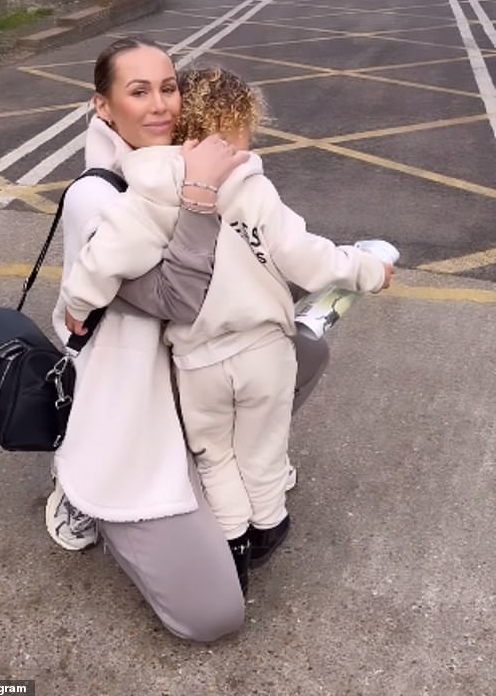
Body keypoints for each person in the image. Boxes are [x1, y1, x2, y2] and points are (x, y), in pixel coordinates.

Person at [58, 66, 394, 594]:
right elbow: (309, 260)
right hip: (264, 351)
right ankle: (269, 526)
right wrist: (369, 270)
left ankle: (231, 544)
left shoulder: (148, 185)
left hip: (198, 361)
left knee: (215, 456)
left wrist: (79, 301)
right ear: (239, 128)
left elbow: (109, 253)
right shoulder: (252, 187)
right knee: (262, 450)